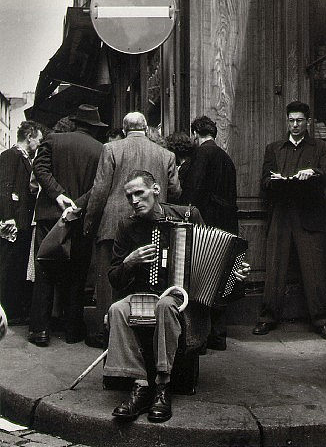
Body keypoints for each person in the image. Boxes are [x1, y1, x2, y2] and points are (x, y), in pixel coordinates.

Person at [105, 170, 250, 423]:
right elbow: (114, 277)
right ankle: (140, 385)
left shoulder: (187, 215)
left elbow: (217, 260)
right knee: (117, 309)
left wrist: (235, 272)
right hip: (144, 296)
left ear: (157, 190)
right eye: (130, 197)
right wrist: (129, 262)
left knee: (164, 305)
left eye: (140, 193)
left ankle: (162, 385)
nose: (135, 200)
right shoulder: (127, 226)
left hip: (182, 299)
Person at [83, 112, 181, 346]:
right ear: (147, 129)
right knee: (153, 279)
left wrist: (89, 225)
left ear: (125, 130)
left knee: (111, 282)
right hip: (156, 225)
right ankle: (149, 336)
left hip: (113, 224)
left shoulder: (111, 149)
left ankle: (109, 336)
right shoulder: (166, 154)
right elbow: (176, 191)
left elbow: (99, 191)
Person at [252, 101, 326, 340]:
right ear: (287, 121)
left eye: (299, 120)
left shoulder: (320, 147)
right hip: (281, 213)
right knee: (275, 269)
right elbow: (264, 183)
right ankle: (267, 318)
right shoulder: (274, 148)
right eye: (291, 120)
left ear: (307, 121)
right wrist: (275, 180)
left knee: (314, 271)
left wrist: (314, 173)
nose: (295, 125)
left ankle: (322, 321)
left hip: (309, 214)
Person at [28, 104, 106, 346]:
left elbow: (39, 168)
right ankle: (73, 329)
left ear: (75, 122)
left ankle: (40, 330)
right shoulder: (101, 150)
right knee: (77, 273)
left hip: (49, 215)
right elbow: (100, 186)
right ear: (94, 127)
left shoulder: (53, 140)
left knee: (45, 271)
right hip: (80, 218)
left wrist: (58, 195)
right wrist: (77, 205)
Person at [180, 116, 239, 351]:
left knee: (201, 280)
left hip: (206, 223)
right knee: (221, 279)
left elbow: (193, 191)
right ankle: (219, 335)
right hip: (227, 224)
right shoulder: (226, 157)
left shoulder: (202, 154)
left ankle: (201, 339)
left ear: (195, 133)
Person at [0, 121, 43, 324]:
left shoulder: (24, 158)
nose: (40, 143)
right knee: (8, 266)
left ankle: (12, 309)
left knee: (15, 265)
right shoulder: (11, 155)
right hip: (13, 222)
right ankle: (7, 310)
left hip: (21, 221)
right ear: (30, 137)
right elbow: (5, 187)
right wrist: (8, 217)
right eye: (39, 139)